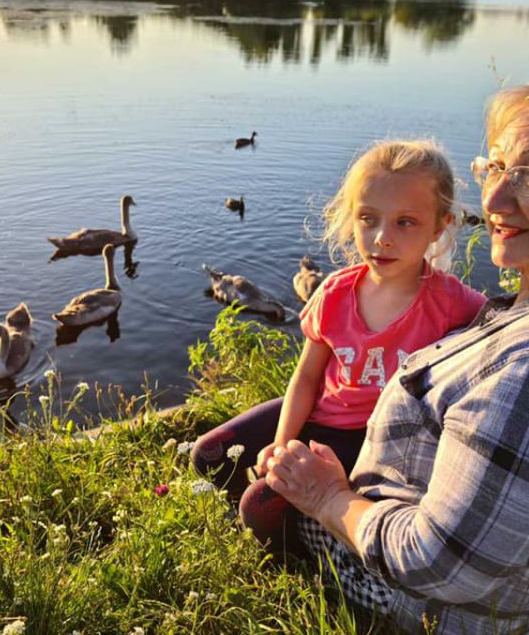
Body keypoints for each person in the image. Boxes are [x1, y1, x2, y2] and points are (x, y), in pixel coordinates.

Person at [263, 72, 529, 635]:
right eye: (497, 167)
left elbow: (435, 564)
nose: (496, 200)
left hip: (448, 611)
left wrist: (330, 499)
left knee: (263, 501)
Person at [191, 140, 487, 549]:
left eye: (405, 223)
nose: (382, 238)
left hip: (368, 441)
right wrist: (281, 444)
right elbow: (306, 378)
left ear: (438, 227)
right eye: (369, 218)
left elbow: (509, 326)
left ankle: (297, 548)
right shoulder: (334, 292)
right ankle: (267, 510)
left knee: (258, 505)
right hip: (318, 415)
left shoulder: (451, 302)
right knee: (209, 455)